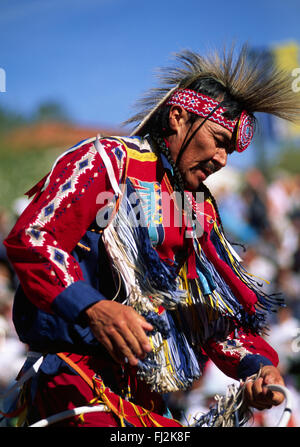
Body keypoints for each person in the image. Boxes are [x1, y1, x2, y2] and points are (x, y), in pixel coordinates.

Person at [3, 45, 300, 427]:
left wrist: (257, 367)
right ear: (178, 117)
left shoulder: (197, 208)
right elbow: (34, 237)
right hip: (73, 383)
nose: (223, 159)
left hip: (144, 393)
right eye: (219, 139)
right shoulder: (108, 162)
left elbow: (207, 313)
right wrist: (92, 307)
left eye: (231, 149)